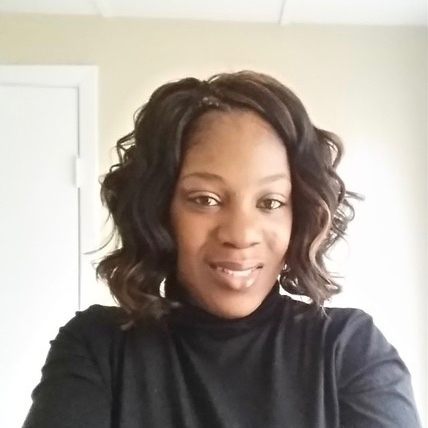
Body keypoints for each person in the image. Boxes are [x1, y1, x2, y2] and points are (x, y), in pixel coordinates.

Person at [23, 71, 421, 428]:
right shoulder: (98, 348)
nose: (241, 235)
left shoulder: (348, 349)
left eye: (270, 202)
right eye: (206, 199)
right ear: (160, 210)